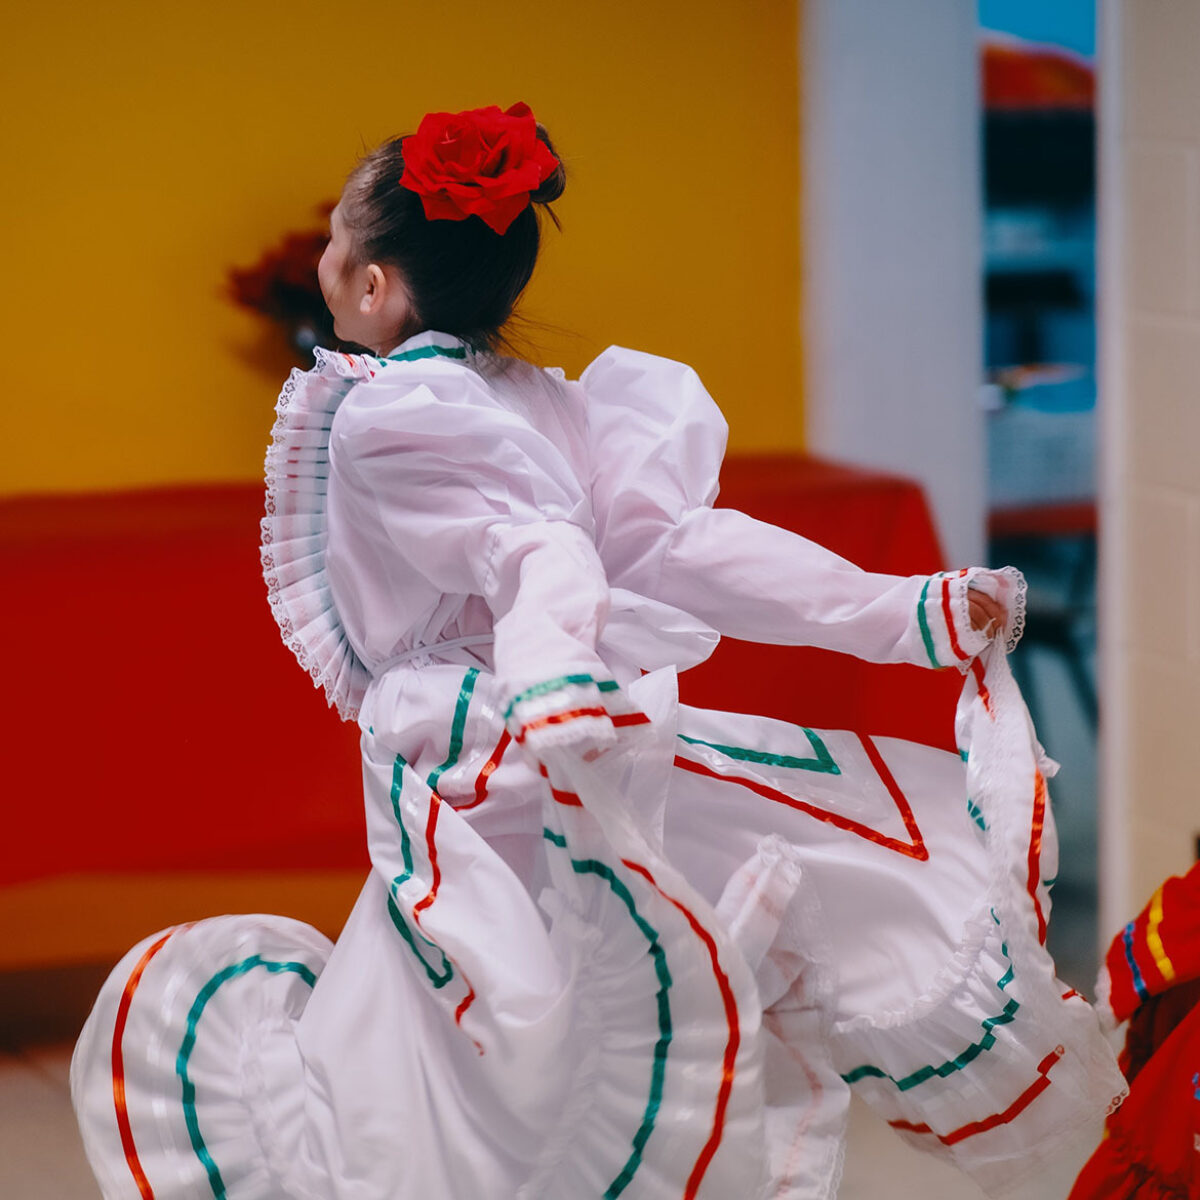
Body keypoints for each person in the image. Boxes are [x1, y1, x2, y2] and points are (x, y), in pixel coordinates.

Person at [71, 103, 1124, 1200]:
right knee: (531, 1048)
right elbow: (688, 548)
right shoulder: (551, 405)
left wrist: (555, 680)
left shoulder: (396, 417)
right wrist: (903, 613)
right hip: (566, 750)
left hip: (483, 766)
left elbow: (541, 557)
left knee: (469, 1074)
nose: (331, 259)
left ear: (375, 285)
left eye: (341, 238)